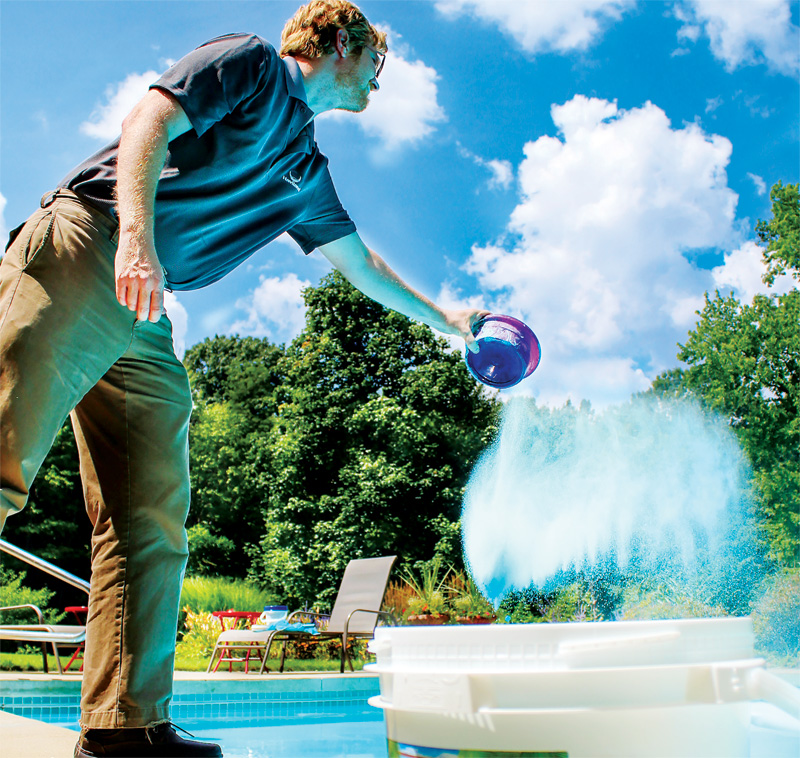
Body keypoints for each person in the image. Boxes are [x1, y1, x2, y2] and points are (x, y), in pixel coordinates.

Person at [0, 2, 487, 756]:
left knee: (149, 518)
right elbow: (148, 124)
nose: (379, 84)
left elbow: (360, 267)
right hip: (88, 244)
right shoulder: (251, 63)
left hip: (147, 311)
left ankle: (125, 729)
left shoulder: (307, 168)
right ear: (338, 41)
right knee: (2, 465)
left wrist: (446, 319)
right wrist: (136, 237)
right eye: (376, 64)